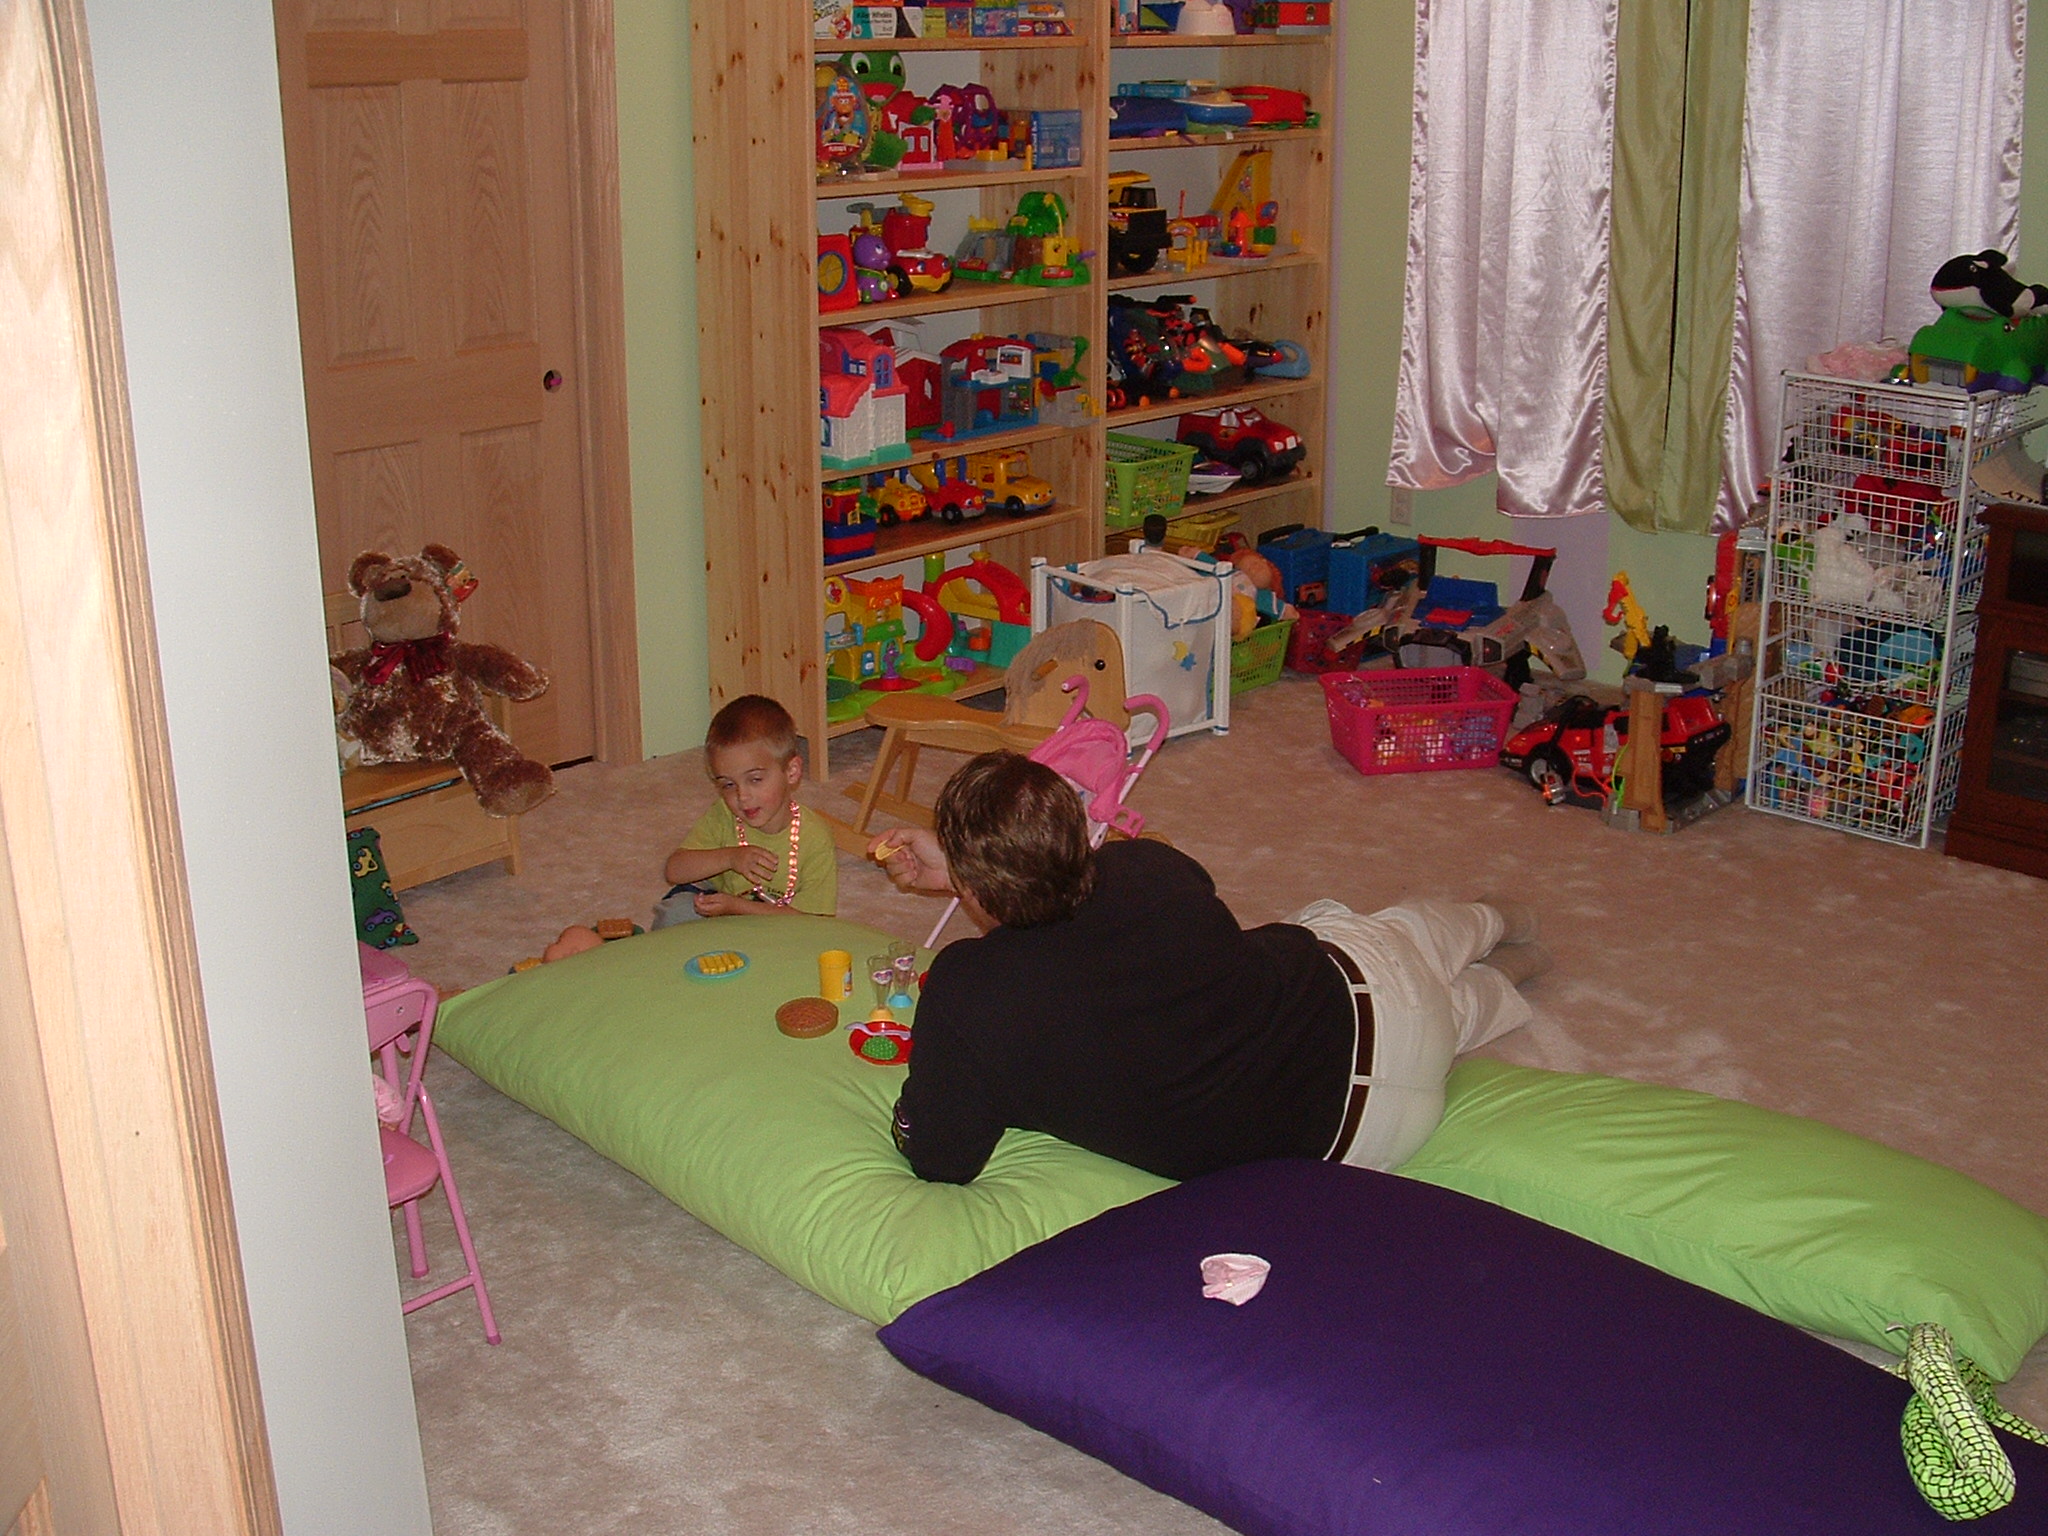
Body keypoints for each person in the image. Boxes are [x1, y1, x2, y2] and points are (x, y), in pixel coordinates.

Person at [869, 751, 1546, 1184]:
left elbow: (940, 1157)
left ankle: (1500, 986)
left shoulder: (968, 992)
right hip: (1364, 998)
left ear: (978, 889)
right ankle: (1501, 923)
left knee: (1452, 1011)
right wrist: (975, 871)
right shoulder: (1148, 870)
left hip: (1361, 1139)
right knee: (1401, 936)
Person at [654, 695, 837, 925]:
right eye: (728, 785)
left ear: (791, 772)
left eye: (755, 779)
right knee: (674, 913)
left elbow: (816, 923)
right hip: (721, 908)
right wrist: (731, 858)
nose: (742, 796)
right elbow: (675, 870)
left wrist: (737, 908)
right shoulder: (724, 813)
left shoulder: (815, 837)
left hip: (781, 923)